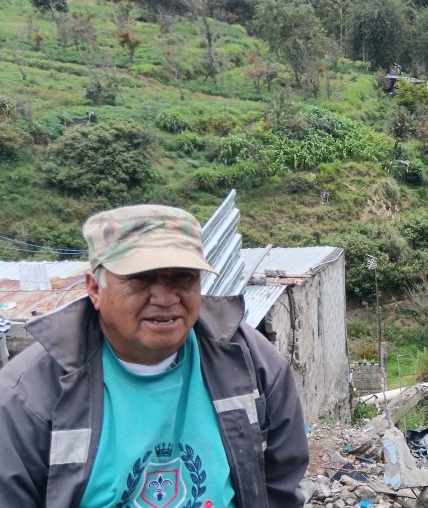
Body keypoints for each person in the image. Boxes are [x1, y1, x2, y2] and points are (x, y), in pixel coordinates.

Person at [0, 205, 308, 507]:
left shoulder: (251, 362)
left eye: (183, 277)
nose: (164, 298)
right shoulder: (27, 396)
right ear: (94, 289)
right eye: (141, 278)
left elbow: (280, 484)